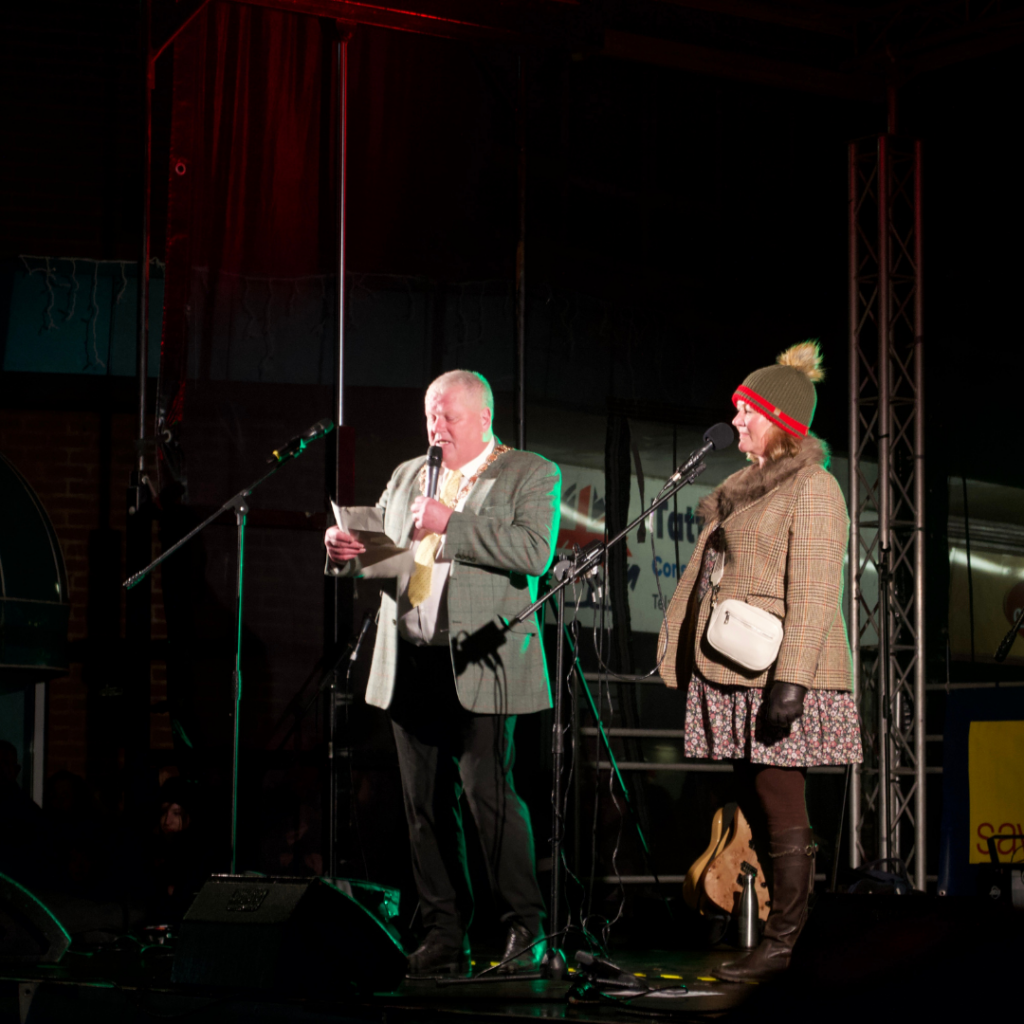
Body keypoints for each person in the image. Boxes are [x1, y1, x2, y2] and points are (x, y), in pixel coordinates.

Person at [324, 370, 560, 978]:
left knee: (489, 794)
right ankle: (442, 933)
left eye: (449, 416)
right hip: (412, 657)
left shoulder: (529, 472)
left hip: (483, 658)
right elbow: (389, 555)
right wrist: (349, 551)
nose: (437, 427)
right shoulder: (407, 475)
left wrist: (449, 522)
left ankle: (525, 932)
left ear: (483, 418)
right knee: (422, 804)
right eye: (431, 414)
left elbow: (534, 551)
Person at [660, 341, 862, 982]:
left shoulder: (815, 486)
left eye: (748, 411)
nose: (737, 421)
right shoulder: (738, 488)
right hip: (732, 667)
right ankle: (772, 938)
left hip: (778, 672)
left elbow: (813, 592)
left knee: (780, 801)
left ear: (782, 420)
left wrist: (793, 683)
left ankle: (782, 947)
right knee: (749, 799)